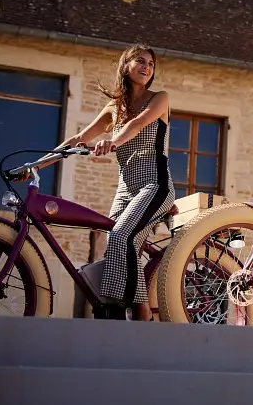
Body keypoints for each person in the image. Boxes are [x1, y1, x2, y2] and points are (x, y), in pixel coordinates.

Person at [59, 43, 175, 321]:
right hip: (126, 188)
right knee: (115, 241)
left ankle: (139, 311)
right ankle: (121, 313)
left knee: (123, 235)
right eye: (140, 61)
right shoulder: (114, 108)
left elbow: (137, 125)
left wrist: (113, 140)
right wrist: (37, 163)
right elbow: (78, 140)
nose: (147, 67)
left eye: (150, 63)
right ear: (126, 65)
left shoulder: (159, 98)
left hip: (154, 184)